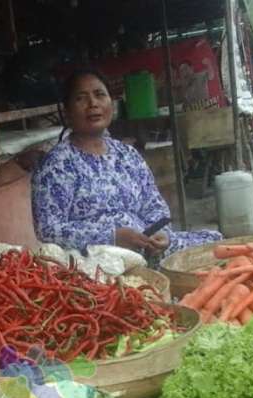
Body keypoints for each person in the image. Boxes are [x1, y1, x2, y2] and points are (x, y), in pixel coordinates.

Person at [31, 69, 223, 259]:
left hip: (148, 246)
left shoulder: (126, 154)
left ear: (111, 104)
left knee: (216, 243)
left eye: (99, 95)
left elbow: (154, 205)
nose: (93, 104)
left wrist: (160, 234)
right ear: (67, 112)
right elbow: (49, 230)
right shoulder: (57, 165)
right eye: (81, 98)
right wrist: (112, 237)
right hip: (100, 257)